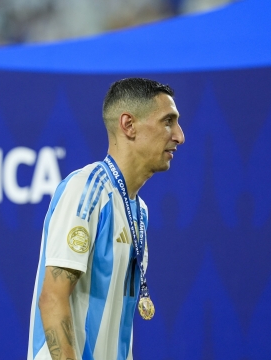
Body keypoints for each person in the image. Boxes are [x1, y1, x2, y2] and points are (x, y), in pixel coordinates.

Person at [27, 78, 185, 360]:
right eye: (167, 121)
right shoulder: (87, 189)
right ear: (129, 125)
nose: (179, 136)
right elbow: (52, 298)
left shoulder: (139, 211)